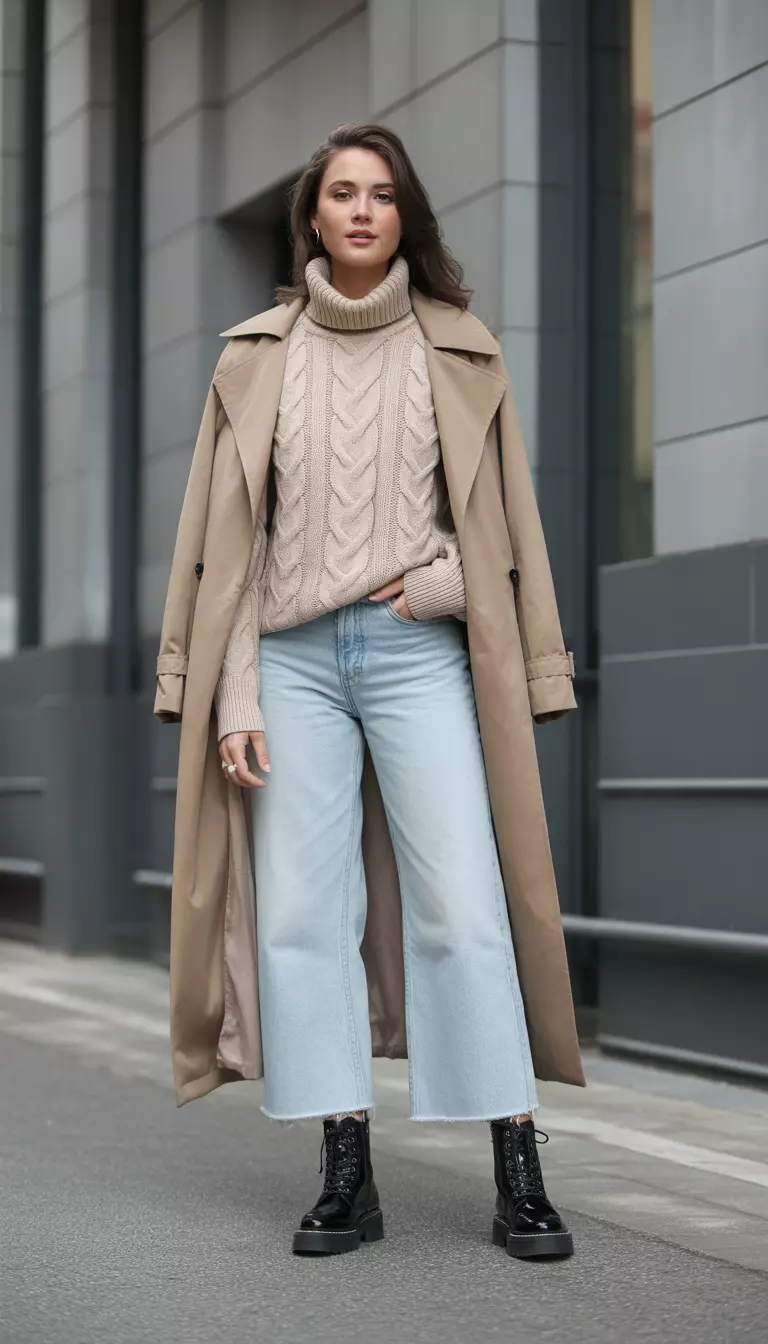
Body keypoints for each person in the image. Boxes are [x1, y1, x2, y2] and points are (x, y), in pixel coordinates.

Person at [154, 121, 584, 1261]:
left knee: (463, 903)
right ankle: (347, 1169)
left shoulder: (458, 346)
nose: (359, 211)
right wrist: (232, 690)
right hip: (289, 662)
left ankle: (518, 1166)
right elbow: (225, 550)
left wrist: (437, 585)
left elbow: (498, 527)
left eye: (382, 195)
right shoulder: (253, 354)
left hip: (413, 654)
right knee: (303, 915)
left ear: (406, 217)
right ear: (312, 214)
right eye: (341, 193)